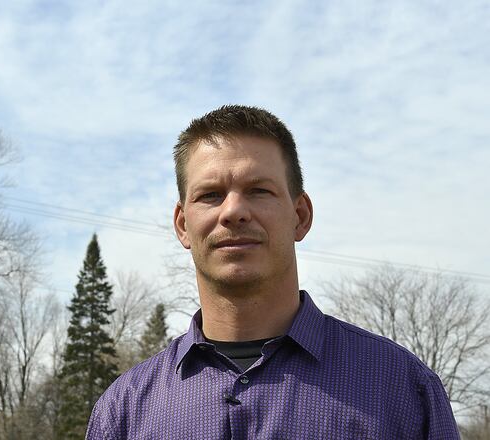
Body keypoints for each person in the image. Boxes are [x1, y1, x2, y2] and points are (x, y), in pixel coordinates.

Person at [85, 105, 459, 439]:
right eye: (211, 195)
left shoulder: (402, 390)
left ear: (300, 216)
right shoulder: (124, 413)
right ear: (183, 224)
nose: (233, 211)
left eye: (259, 190)